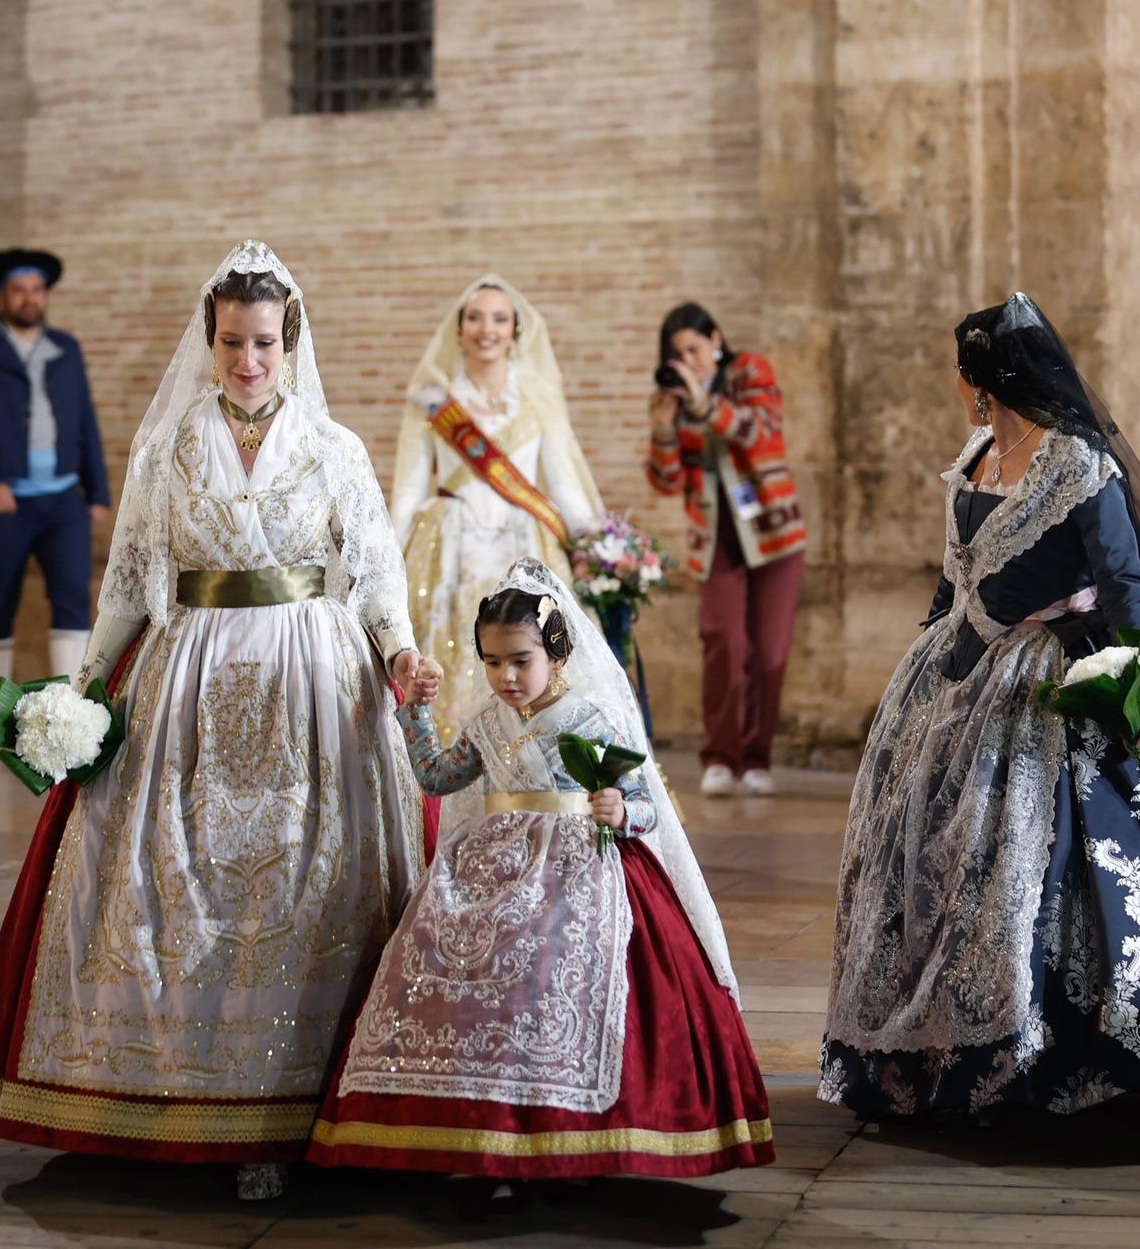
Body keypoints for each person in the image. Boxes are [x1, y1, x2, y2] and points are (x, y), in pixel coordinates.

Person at [0, 241, 426, 1201]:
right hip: (193, 680)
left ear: (290, 343)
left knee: (303, 889)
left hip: (311, 688)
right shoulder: (168, 446)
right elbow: (131, 578)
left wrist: (401, 655)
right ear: (209, 341)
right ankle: (167, 1098)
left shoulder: (335, 450)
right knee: (178, 882)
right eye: (230, 342)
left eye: (262, 343)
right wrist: (84, 687)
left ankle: (290, 1110)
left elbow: (377, 578)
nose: (246, 361)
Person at [819, 292, 1140, 1119]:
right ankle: (944, 1045)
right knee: (933, 860)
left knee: (1072, 862)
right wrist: (927, 661)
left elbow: (1125, 587)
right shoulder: (974, 457)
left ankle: (1066, 1049)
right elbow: (954, 577)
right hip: (957, 683)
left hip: (1058, 674)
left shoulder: (1078, 463)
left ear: (981, 382)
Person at [310, 559, 773, 1195]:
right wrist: (416, 711)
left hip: (576, 865)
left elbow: (642, 800)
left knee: (548, 971)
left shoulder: (586, 721)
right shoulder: (487, 722)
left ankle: (564, 1134)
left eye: (520, 660)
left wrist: (620, 808)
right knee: (449, 967)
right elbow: (439, 778)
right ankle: (473, 1128)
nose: (505, 677)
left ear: (555, 654)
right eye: (493, 662)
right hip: (487, 869)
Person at [392, 276, 602, 740]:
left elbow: (564, 483)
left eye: (499, 318)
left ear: (515, 331)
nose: (486, 328)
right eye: (475, 317)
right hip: (448, 547)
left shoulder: (536, 400)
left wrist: (602, 552)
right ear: (459, 328)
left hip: (523, 544)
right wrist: (385, 560)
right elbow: (407, 491)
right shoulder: (431, 401)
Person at [645, 303, 804, 797]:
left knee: (770, 652)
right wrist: (664, 430)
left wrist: (705, 402)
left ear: (716, 339)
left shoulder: (749, 371)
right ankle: (720, 755)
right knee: (723, 644)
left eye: (694, 348)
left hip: (774, 532)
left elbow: (760, 433)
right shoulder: (680, 399)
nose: (689, 360)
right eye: (679, 355)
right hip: (715, 538)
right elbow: (667, 480)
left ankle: (756, 758)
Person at [0, 248, 110, 695]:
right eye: (19, 290)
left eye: (37, 290)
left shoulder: (66, 349)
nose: (30, 299)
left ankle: (70, 711)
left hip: (63, 501)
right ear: (1, 297)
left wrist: (96, 492)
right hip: (4, 501)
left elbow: (84, 421)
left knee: (74, 601)